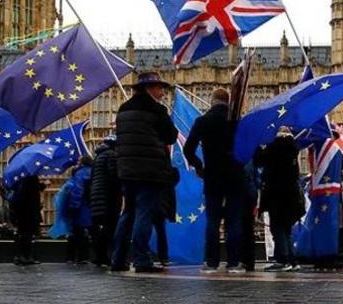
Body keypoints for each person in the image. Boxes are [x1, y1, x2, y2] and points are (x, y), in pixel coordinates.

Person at [114, 72, 178, 273]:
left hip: (126, 171)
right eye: (160, 88)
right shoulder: (156, 110)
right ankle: (141, 259)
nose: (162, 92)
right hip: (149, 171)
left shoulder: (123, 109)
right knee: (144, 214)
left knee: (127, 214)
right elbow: (171, 136)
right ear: (149, 88)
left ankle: (117, 259)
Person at [184, 88, 246, 273]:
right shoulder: (237, 121)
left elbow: (188, 149)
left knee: (212, 220)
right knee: (234, 221)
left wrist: (199, 166)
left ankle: (211, 263)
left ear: (212, 101)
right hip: (235, 176)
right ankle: (234, 263)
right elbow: (249, 148)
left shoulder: (203, 121)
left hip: (212, 175)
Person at [255, 126, 304, 271]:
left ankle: (282, 260)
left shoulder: (273, 147)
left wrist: (258, 144)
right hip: (291, 196)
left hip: (276, 195)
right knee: (287, 229)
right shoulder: (293, 148)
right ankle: (292, 260)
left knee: (277, 228)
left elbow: (259, 160)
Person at [88, 136, 120, 267]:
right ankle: (105, 256)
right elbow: (114, 175)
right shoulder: (111, 155)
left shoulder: (97, 158)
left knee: (100, 229)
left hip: (96, 196)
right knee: (110, 228)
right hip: (107, 196)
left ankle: (99, 256)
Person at [56, 155, 93, 264]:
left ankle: (72, 257)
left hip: (81, 207)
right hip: (91, 205)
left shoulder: (80, 173)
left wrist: (73, 206)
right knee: (88, 232)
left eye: (79, 161)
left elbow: (77, 190)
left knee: (76, 232)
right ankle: (85, 257)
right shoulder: (93, 172)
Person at [7, 174, 44, 266]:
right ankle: (25, 257)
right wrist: (41, 186)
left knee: (23, 234)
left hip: (21, 211)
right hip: (28, 211)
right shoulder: (29, 176)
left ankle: (21, 257)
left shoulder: (18, 177)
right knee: (27, 234)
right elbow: (29, 192)